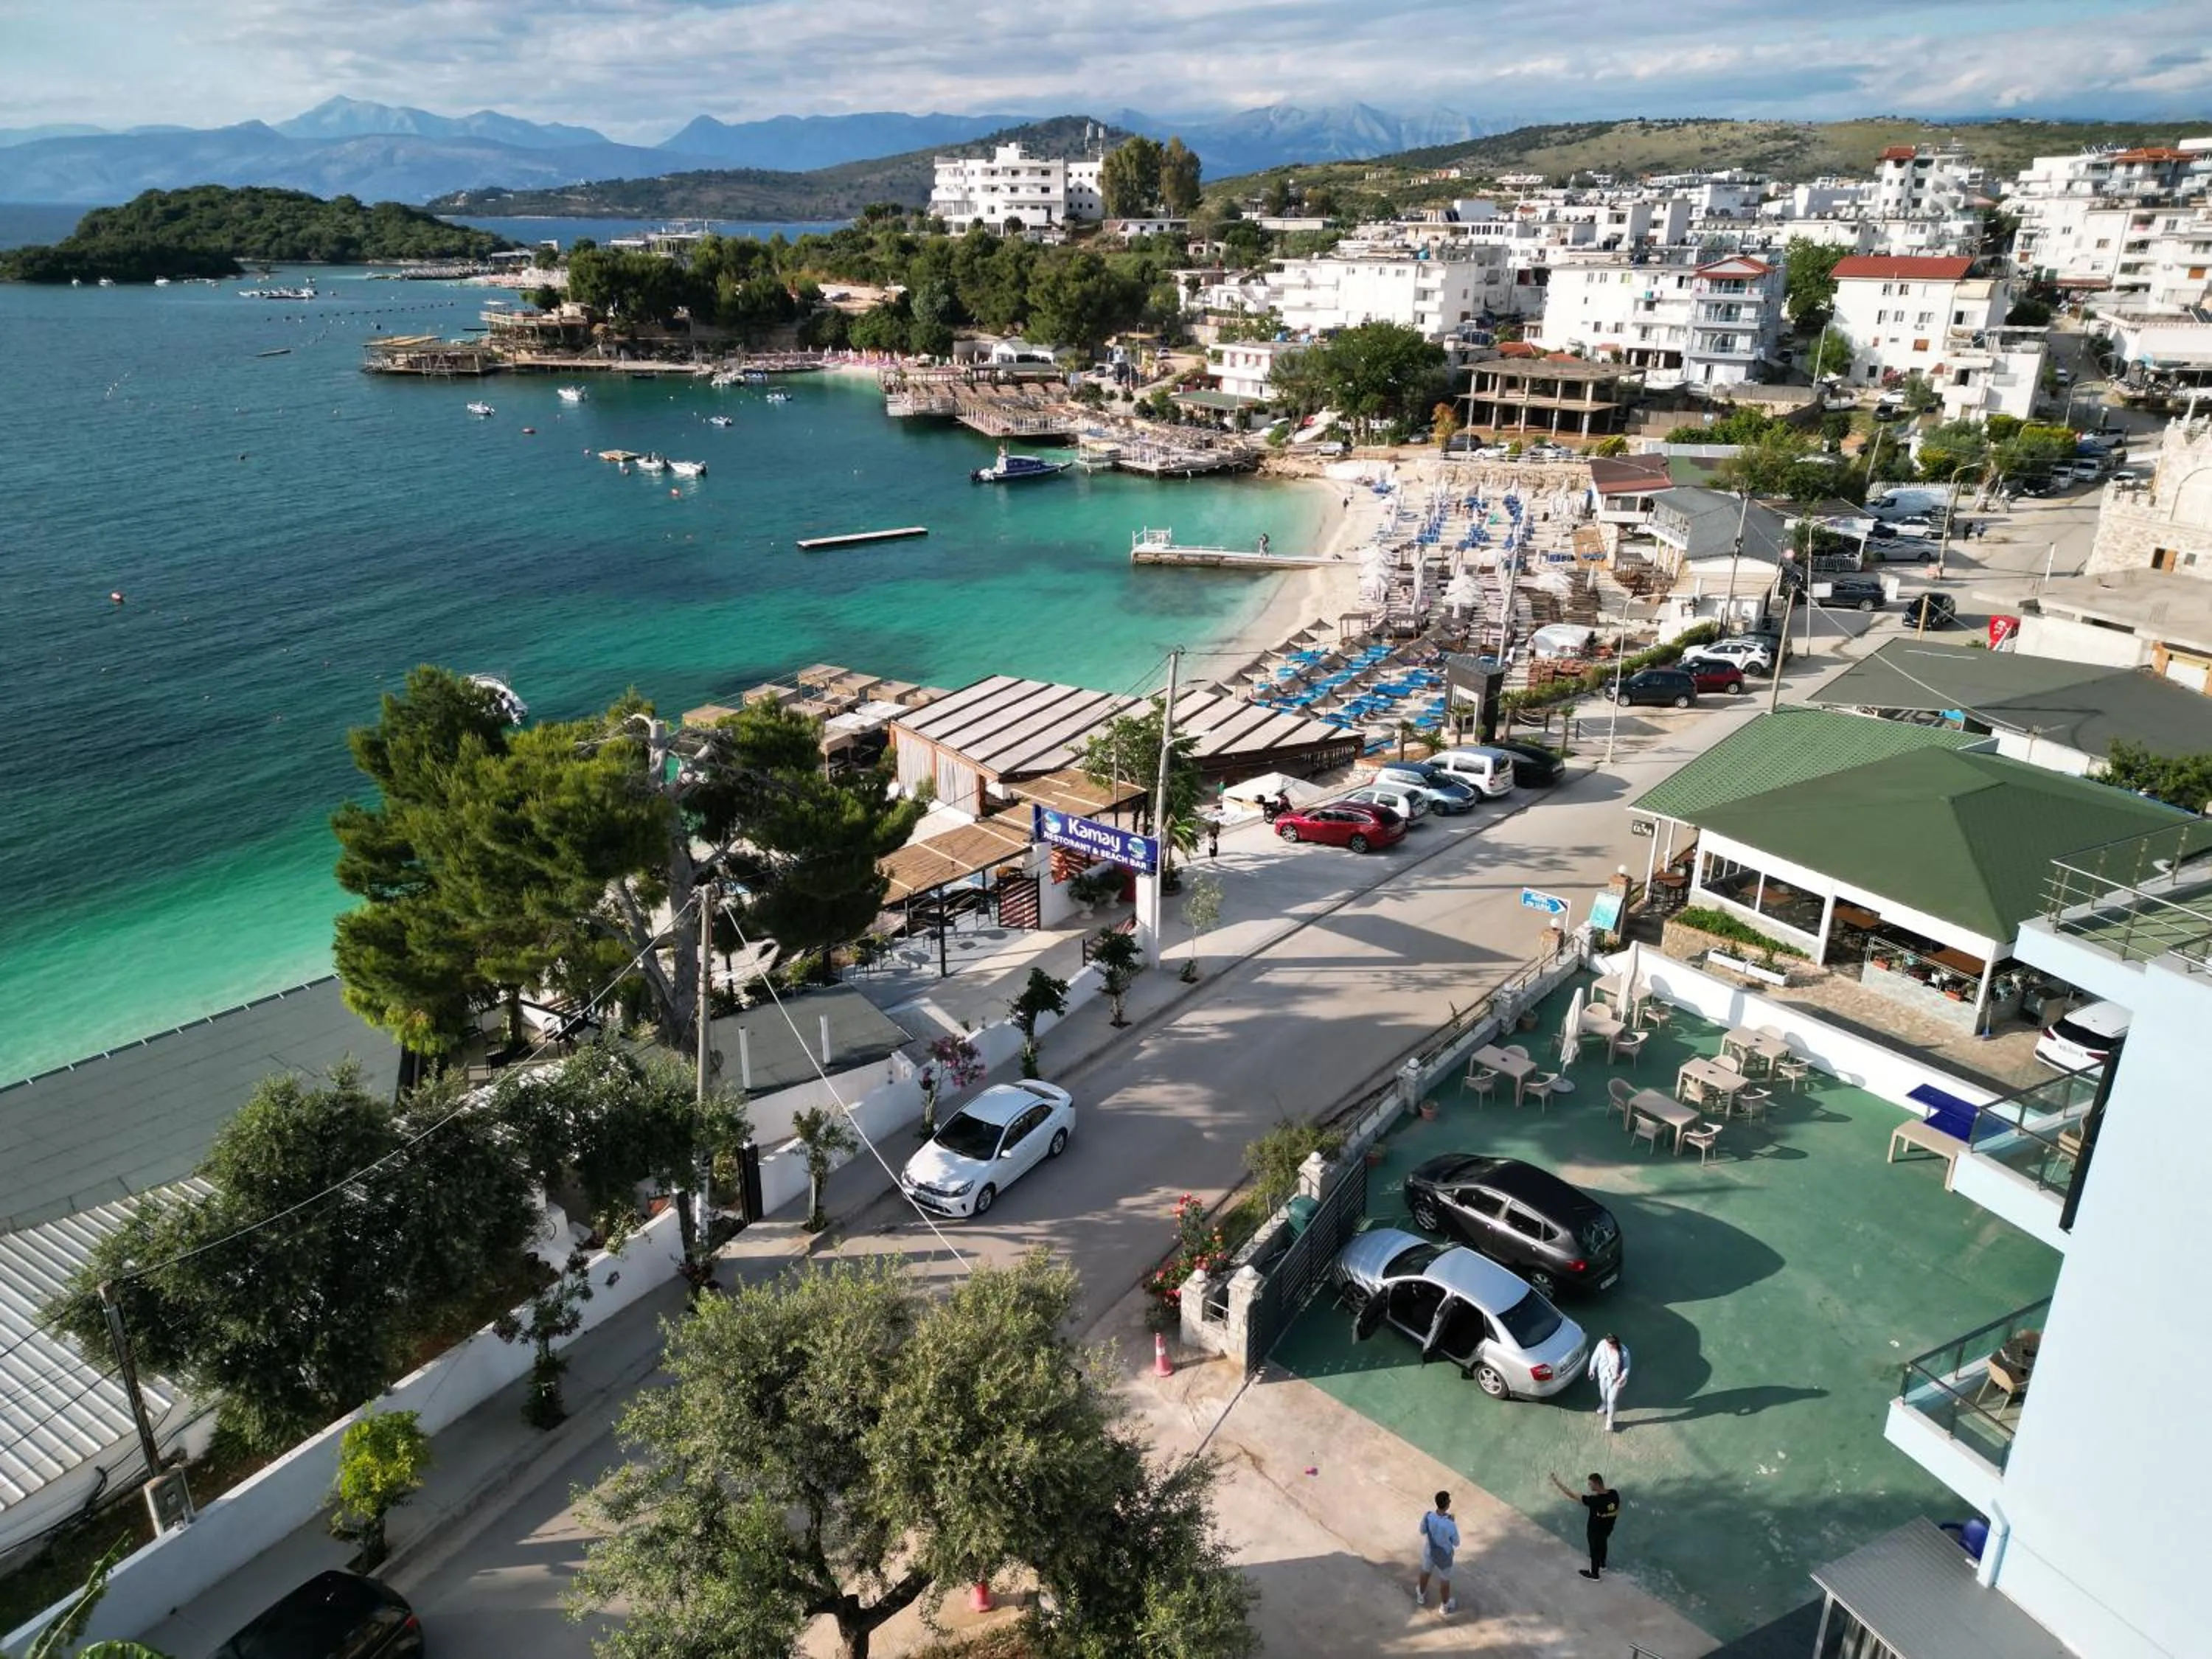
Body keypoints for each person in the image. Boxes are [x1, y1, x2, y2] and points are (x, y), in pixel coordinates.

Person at [1550, 1471, 1620, 1580]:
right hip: (1608, 1528)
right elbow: (1613, 1506)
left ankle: (1594, 1574)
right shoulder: (1614, 1494)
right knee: (1603, 1543)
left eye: (1590, 1484)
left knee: (1594, 1550)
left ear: (1596, 1484)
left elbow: (1572, 1494)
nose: (1589, 1486)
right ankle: (1602, 1564)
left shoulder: (1594, 1501)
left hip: (1595, 1530)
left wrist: (1556, 1482)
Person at [1414, 1490, 1460, 1613]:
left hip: (1430, 1551)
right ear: (1447, 1505)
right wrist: (1451, 1523)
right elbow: (1456, 1543)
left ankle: (1421, 1595)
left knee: (1426, 1572)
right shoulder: (1450, 1524)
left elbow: (1422, 1531)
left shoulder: (1428, 1516)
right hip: (1444, 1556)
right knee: (1445, 1581)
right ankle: (1445, 1606)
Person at [1587, 1333, 1630, 1431]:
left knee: (1612, 1400)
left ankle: (1610, 1421)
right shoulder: (1602, 1345)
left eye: (1610, 1346)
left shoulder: (1624, 1352)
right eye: (1607, 1344)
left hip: (1616, 1380)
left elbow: (1627, 1367)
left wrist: (1622, 1377)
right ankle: (1604, 1403)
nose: (1607, 1347)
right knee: (1603, 1393)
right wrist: (1591, 1369)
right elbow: (1595, 1357)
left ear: (1615, 1344)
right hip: (1603, 1376)